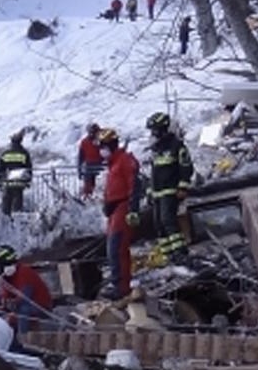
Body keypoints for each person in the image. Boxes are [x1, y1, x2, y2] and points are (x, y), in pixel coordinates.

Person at [145, 111, 194, 261]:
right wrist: (149, 191)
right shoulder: (155, 149)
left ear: (162, 129)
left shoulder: (177, 146)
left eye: (154, 130)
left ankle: (180, 252)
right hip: (157, 193)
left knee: (168, 221)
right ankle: (168, 255)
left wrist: (183, 187)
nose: (153, 133)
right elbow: (153, 173)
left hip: (170, 191)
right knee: (158, 224)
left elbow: (186, 167)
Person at [99, 130, 142, 299]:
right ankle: (118, 283)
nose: (101, 151)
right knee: (114, 249)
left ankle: (121, 286)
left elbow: (134, 185)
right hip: (114, 209)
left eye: (103, 147)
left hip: (123, 207)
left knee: (117, 248)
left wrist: (133, 209)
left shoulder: (124, 160)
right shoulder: (113, 164)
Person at [0, 244, 53, 337]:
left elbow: (24, 298)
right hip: (22, 307)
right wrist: (3, 306)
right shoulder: (6, 278)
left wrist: (12, 306)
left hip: (41, 308)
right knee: (1, 314)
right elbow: (6, 296)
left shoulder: (24, 273)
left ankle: (23, 338)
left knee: (23, 310)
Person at [0, 131, 33, 216]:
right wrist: (27, 181)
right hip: (19, 182)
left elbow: (0, 170)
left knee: (6, 204)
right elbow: (28, 169)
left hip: (8, 182)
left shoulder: (5, 154)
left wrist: (1, 181)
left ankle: (5, 222)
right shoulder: (24, 153)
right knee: (17, 206)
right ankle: (17, 221)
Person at [76, 122, 104, 200]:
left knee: (99, 186)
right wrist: (79, 169)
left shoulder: (102, 141)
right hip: (89, 167)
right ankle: (87, 200)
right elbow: (81, 156)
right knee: (88, 187)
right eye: (95, 132)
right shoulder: (84, 142)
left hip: (100, 167)